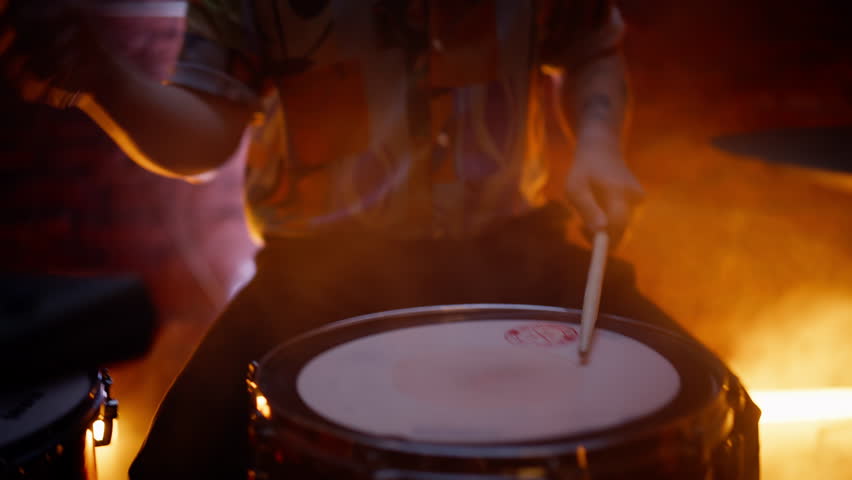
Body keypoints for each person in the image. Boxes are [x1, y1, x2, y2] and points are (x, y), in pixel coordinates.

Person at [3, 1, 689, 478]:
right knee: (176, 466)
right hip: (318, 279)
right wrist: (103, 82)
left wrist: (597, 143)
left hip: (515, 251)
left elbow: (592, 47)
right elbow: (202, 138)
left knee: (707, 411)